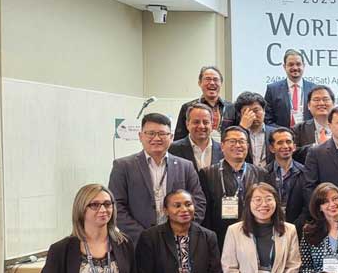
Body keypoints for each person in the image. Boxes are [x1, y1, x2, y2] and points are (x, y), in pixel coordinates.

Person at [110, 112, 206, 243]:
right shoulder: (123, 166)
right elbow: (116, 206)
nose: (156, 138)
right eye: (150, 133)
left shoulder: (186, 166)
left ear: (171, 137)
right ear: (140, 136)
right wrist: (145, 236)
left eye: (162, 134)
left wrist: (182, 228)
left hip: (179, 240)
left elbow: (199, 202)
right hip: (139, 242)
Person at [199, 126, 274, 249]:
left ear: (248, 146)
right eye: (232, 141)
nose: (238, 145)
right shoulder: (207, 173)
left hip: (254, 235)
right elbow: (205, 213)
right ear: (222, 146)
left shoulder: (261, 173)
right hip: (220, 237)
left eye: (242, 141)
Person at [173, 65, 234, 141]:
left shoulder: (231, 108)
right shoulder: (188, 107)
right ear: (199, 83)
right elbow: (179, 139)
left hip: (223, 151)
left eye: (215, 79)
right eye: (207, 79)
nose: (212, 83)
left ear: (221, 83)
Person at [264, 49, 316, 127]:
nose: (295, 68)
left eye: (298, 64)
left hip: (308, 136)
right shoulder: (272, 89)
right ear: (284, 67)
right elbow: (267, 119)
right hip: (281, 136)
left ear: (303, 66)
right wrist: (283, 133)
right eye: (291, 64)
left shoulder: (313, 88)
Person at [170, 103, 224, 173]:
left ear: (211, 125)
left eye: (205, 122)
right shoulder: (173, 149)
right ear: (187, 124)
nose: (201, 126)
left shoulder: (223, 150)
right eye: (196, 122)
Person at [267, 128, 306, 224]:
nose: (285, 146)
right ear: (271, 148)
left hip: (298, 227)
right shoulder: (263, 173)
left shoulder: (305, 173)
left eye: (288, 142)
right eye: (280, 143)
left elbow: (308, 204)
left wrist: (297, 225)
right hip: (271, 225)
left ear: (294, 146)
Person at [234, 91, 277, 168]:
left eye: (256, 110)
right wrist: (242, 128)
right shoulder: (234, 134)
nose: (253, 115)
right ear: (240, 115)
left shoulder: (275, 133)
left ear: (264, 111)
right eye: (247, 112)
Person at [293, 85, 336, 153]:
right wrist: (315, 146)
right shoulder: (298, 129)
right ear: (309, 105)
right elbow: (293, 153)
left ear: (333, 104)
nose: (321, 103)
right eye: (316, 100)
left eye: (325, 99)